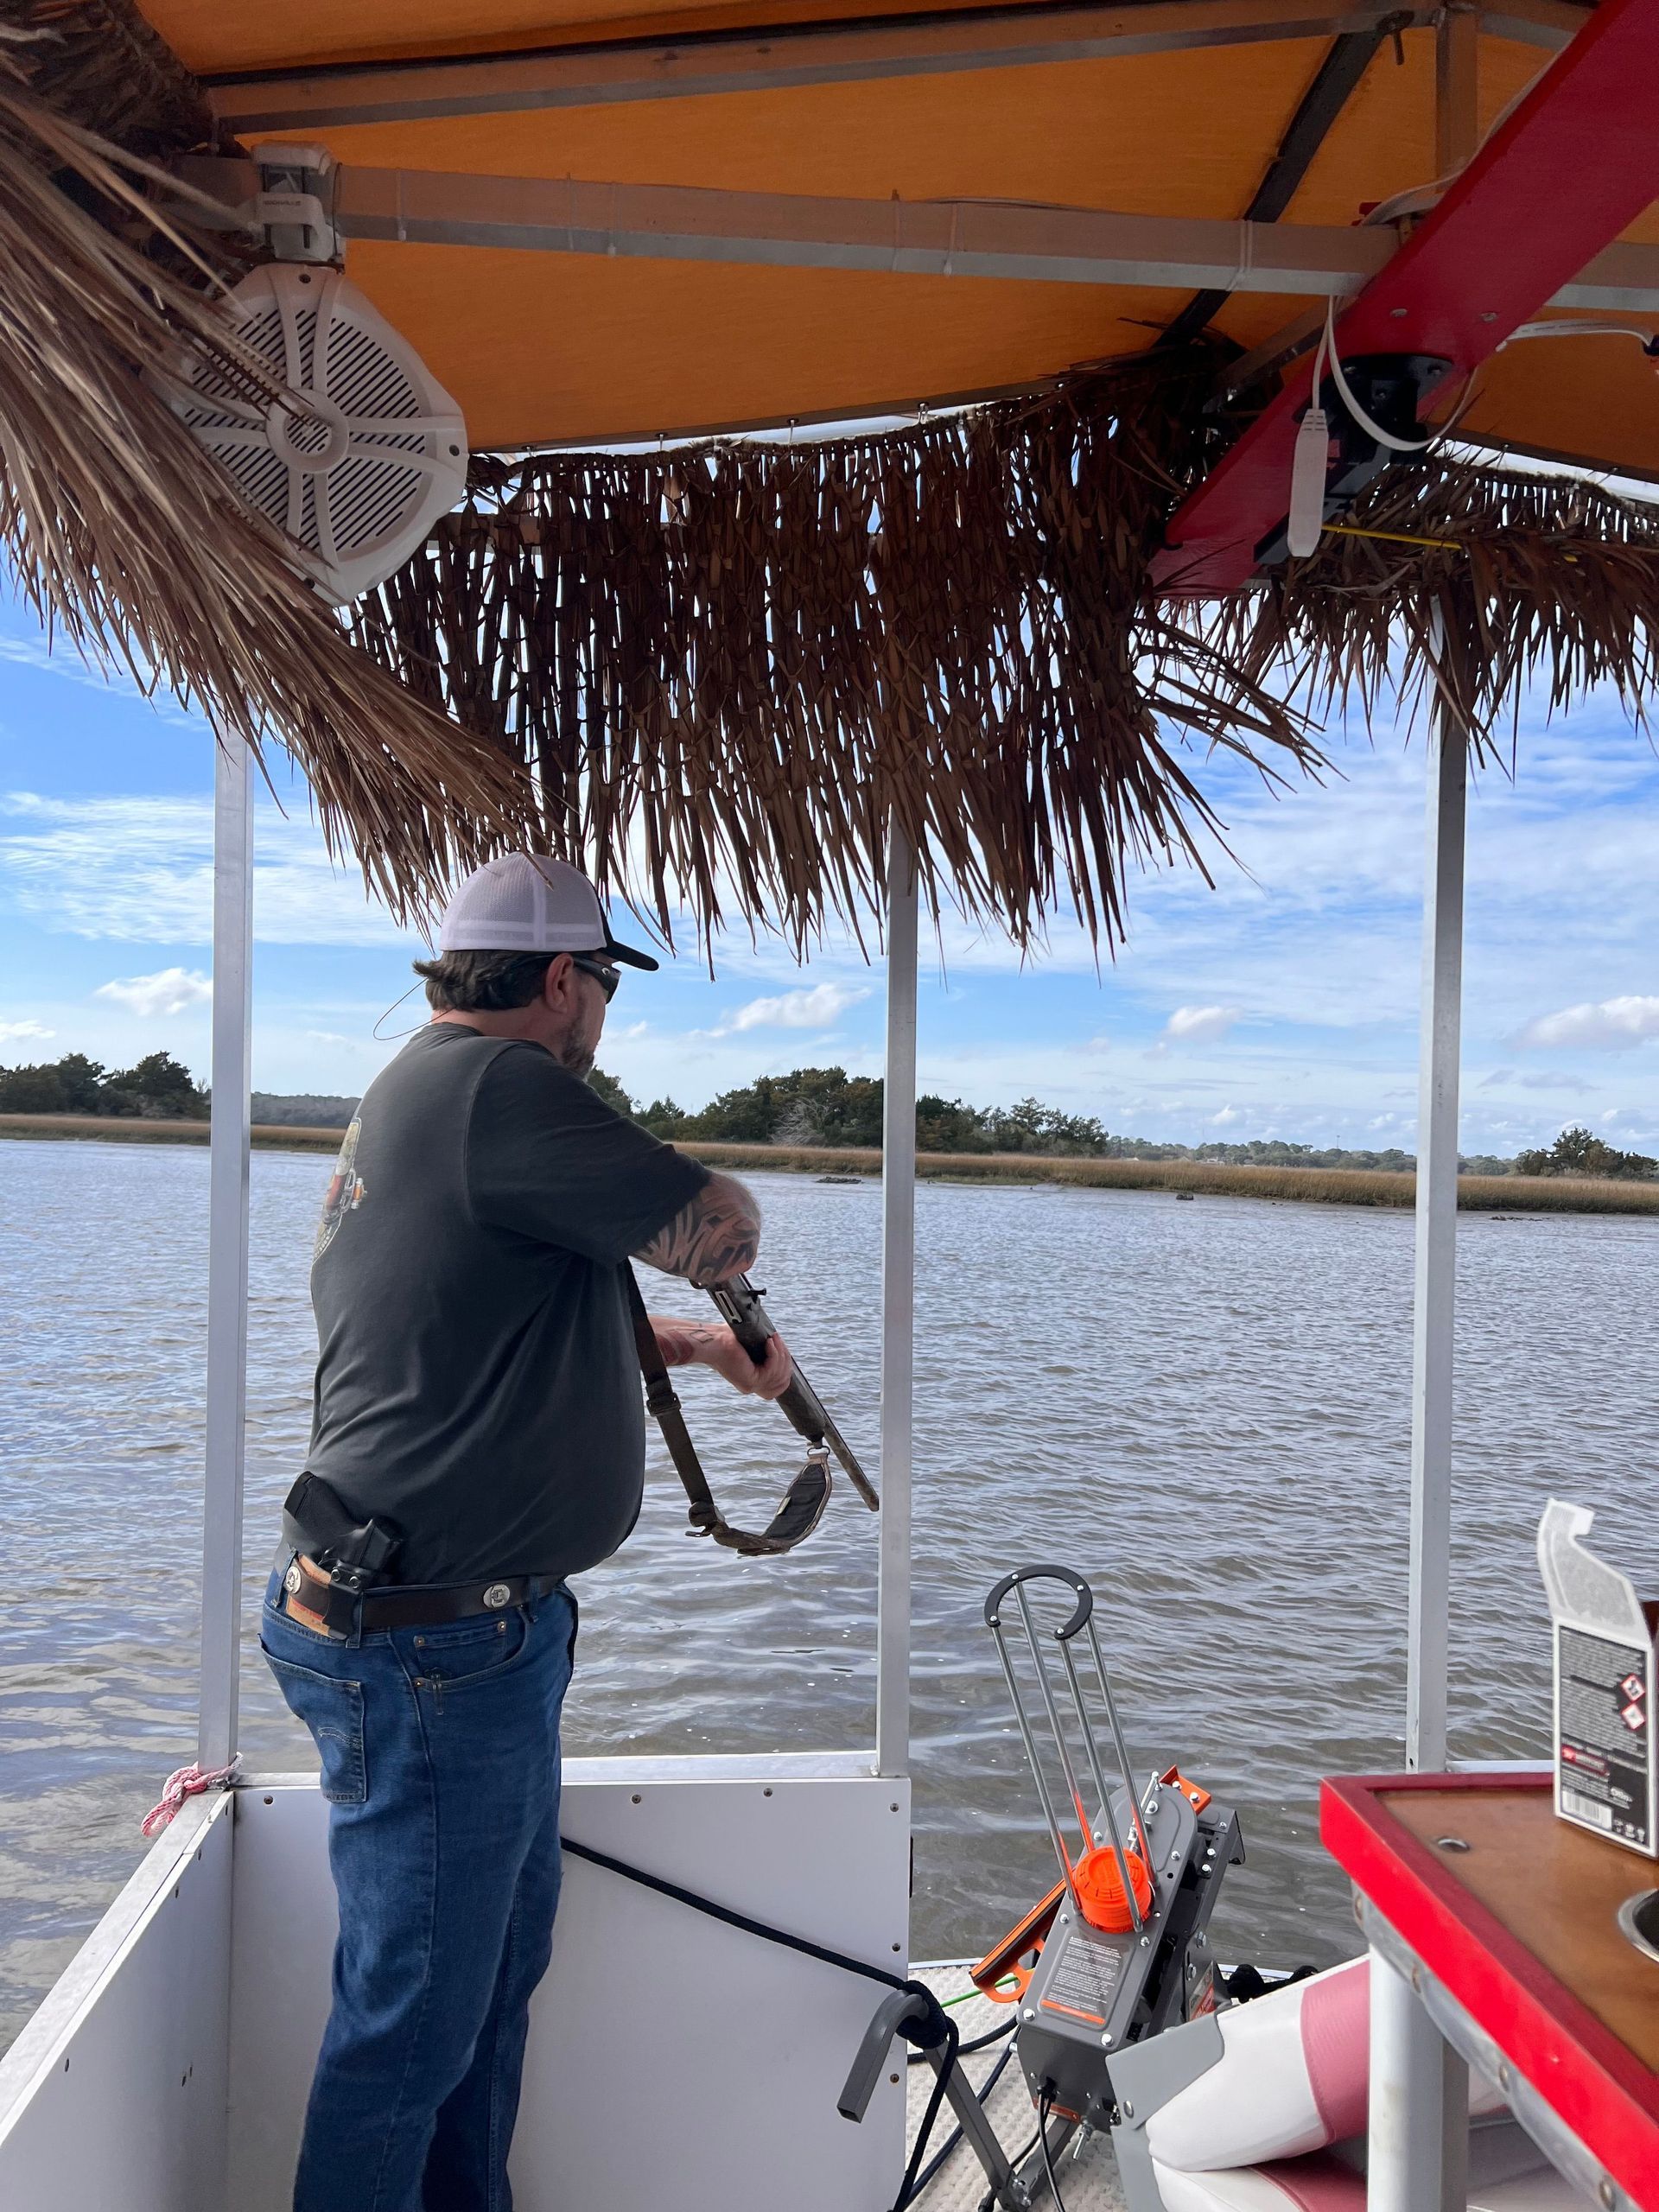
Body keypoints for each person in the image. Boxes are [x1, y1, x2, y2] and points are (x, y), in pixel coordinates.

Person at [260, 852, 791, 2212]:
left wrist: (700, 1360)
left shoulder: (418, 1095)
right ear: (562, 981)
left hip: (443, 1626)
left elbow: (482, 1331)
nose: (607, 1008)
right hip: (432, 1642)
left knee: (485, 1985)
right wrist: (703, 1205)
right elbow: (722, 1232)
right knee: (415, 2025)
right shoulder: (511, 1090)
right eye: (603, 982)